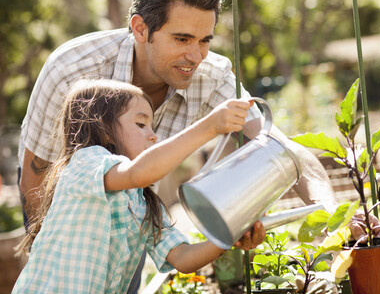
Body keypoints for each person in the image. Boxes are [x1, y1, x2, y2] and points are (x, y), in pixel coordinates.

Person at [16, 0, 333, 292]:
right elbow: (36, 177)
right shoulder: (73, 73)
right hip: (59, 212)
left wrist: (336, 218)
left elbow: (280, 147)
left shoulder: (144, 203)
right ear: (140, 29)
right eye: (182, 39)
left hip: (132, 199)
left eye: (205, 41)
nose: (196, 56)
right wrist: (46, 253)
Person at [13, 80, 266, 293]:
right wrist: (210, 126)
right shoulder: (85, 163)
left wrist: (227, 237)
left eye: (152, 126)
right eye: (141, 124)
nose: (153, 135)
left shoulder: (141, 202)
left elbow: (183, 258)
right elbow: (139, 173)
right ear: (104, 130)